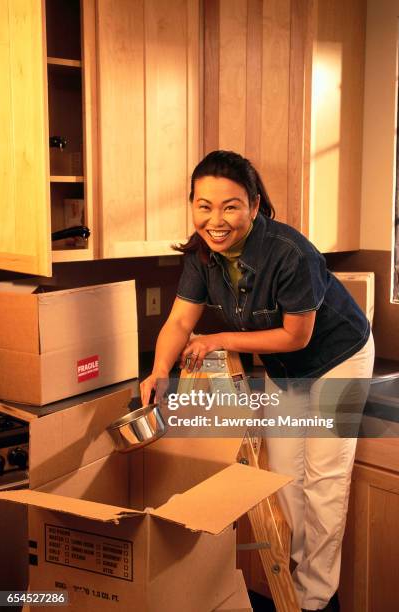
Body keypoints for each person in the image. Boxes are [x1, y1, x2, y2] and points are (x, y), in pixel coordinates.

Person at [140, 150, 374, 611]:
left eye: (230, 206)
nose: (216, 219)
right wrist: (159, 371)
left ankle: (317, 601)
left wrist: (219, 338)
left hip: (337, 360)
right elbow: (179, 322)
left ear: (254, 204)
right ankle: (298, 586)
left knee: (324, 483)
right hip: (286, 369)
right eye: (204, 205)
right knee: (286, 481)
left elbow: (296, 334)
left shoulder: (291, 253)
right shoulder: (203, 254)